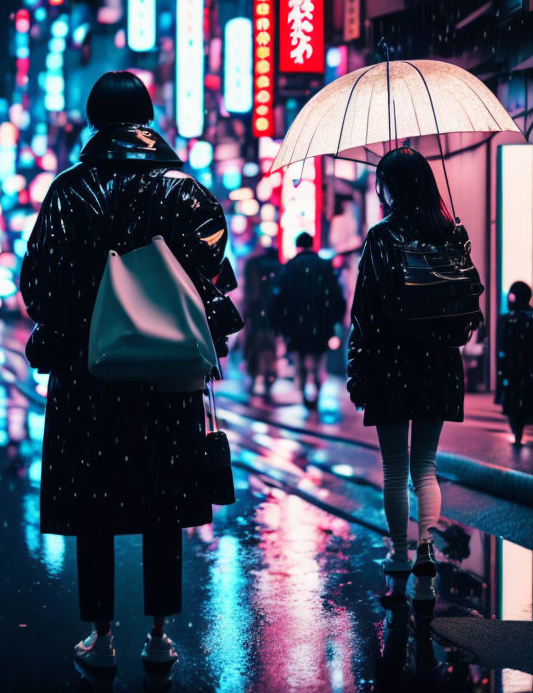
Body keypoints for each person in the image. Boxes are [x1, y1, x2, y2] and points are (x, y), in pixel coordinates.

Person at [20, 71, 242, 676]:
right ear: (148, 115)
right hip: (166, 376)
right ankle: (161, 635)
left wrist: (73, 320)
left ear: (94, 117)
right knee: (162, 502)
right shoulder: (183, 190)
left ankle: (100, 635)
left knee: (94, 507)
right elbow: (211, 280)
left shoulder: (68, 191)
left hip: (90, 372)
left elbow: (39, 285)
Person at [347, 147, 481, 583]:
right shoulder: (450, 232)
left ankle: (400, 555)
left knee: (393, 468)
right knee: (425, 465)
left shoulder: (381, 237)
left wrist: (360, 367)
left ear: (388, 187)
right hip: (440, 361)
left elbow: (364, 312)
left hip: (391, 362)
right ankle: (426, 545)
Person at [273, 231, 345, 407]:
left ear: (297, 246)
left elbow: (280, 298)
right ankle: (317, 388)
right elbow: (335, 293)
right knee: (319, 358)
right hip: (320, 322)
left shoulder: (289, 267)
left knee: (300, 357)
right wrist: (336, 317)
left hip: (296, 323)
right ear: (312, 244)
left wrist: (281, 324)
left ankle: (304, 388)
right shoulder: (324, 265)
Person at [497, 281, 533, 446]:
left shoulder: (514, 320)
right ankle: (518, 428)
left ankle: (517, 429)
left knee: (516, 401)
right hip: (523, 371)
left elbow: (505, 345)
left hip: (517, 370)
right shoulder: (531, 319)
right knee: (519, 401)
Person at [241, 244, 282, 399]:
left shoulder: (253, 265)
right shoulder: (278, 268)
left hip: (255, 318)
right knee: (271, 351)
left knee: (254, 349)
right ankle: (269, 378)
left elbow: (249, 294)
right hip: (272, 320)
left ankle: (254, 377)